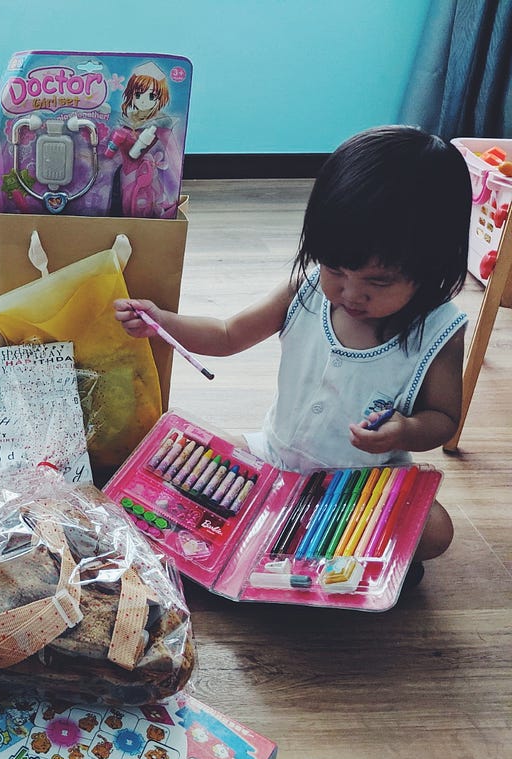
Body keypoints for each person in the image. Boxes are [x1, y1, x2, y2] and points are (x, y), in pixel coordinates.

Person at [115, 125, 471, 569]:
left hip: (361, 485)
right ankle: (324, 547)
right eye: (335, 269)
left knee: (437, 532)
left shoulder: (438, 328)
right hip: (274, 457)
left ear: (431, 266)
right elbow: (227, 334)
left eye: (378, 282)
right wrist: (163, 322)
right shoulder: (305, 293)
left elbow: (443, 419)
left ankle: (319, 541)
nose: (350, 293)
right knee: (170, 452)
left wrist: (405, 432)